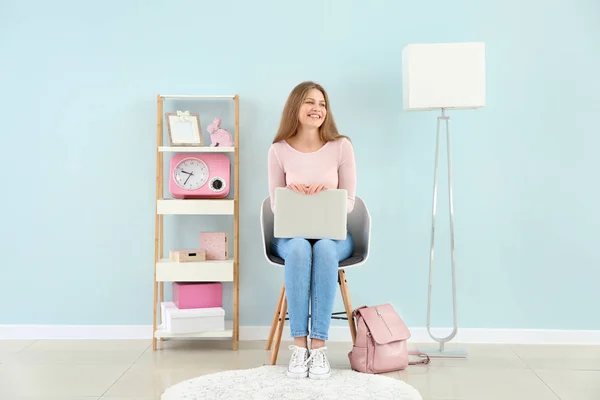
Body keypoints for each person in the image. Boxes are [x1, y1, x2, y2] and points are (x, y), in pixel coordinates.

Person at [267, 81, 357, 379]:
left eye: (322, 103)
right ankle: (298, 346)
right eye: (309, 102)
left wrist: (325, 195)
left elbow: (350, 202)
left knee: (325, 248)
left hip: (333, 235)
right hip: (292, 235)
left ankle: (318, 348)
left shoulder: (341, 146)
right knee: (298, 247)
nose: (317, 108)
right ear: (296, 107)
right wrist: (292, 193)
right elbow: (276, 205)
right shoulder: (279, 150)